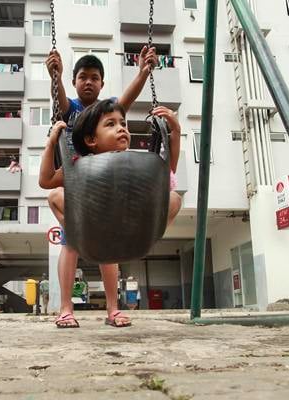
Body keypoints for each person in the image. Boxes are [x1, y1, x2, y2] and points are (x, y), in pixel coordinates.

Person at [41, 48, 157, 329]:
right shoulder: (71, 110)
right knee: (70, 245)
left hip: (105, 190)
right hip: (79, 188)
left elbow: (126, 100)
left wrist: (143, 72)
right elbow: (59, 99)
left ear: (102, 84)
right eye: (82, 77)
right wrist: (54, 76)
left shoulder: (106, 112)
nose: (89, 82)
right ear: (74, 82)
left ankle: (113, 309)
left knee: (109, 250)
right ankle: (66, 308)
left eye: (95, 78)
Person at [39, 100, 182, 328]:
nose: (122, 128)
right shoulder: (79, 164)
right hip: (91, 230)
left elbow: (168, 168)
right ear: (91, 140)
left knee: (174, 199)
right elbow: (46, 181)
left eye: (123, 123)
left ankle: (113, 309)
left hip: (133, 230)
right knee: (56, 195)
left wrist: (175, 131)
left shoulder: (139, 162)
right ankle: (76, 237)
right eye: (111, 124)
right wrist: (51, 145)